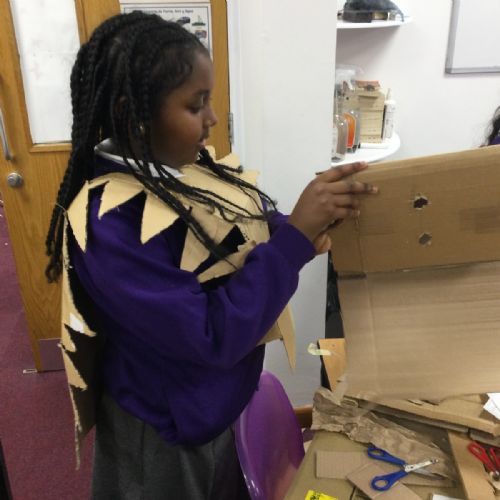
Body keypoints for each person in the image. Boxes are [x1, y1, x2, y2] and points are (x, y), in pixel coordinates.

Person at [45, 11, 377, 499]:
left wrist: (303, 225)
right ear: (131, 112)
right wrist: (293, 241)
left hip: (217, 401)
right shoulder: (110, 224)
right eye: (195, 104)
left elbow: (238, 233)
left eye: (210, 100)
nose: (213, 119)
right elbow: (208, 337)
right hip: (169, 431)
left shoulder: (183, 169)